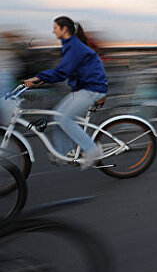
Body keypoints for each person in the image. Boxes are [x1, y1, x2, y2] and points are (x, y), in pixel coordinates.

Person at [24, 16, 108, 168]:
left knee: (65, 119)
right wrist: (43, 80)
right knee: (57, 117)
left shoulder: (74, 47)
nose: (53, 31)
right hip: (82, 88)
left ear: (64, 29)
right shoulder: (70, 45)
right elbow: (67, 70)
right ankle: (65, 153)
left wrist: (39, 77)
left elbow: (63, 71)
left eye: (55, 27)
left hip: (92, 88)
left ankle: (92, 150)